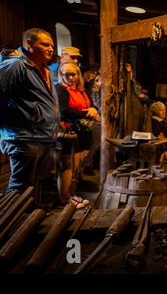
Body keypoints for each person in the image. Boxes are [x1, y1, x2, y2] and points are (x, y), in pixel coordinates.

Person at [0, 28, 60, 198]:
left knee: (39, 185)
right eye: (45, 44)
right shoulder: (16, 65)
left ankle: (33, 220)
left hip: (42, 136)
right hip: (24, 137)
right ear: (29, 44)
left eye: (52, 46)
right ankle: (11, 222)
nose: (50, 49)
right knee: (20, 186)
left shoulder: (44, 69)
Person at [55, 61, 99, 208]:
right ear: (61, 75)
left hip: (83, 131)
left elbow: (91, 104)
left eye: (74, 74)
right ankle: (64, 200)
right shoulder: (60, 89)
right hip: (69, 132)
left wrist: (92, 109)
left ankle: (72, 196)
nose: (71, 77)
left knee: (77, 167)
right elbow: (64, 112)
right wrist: (87, 113)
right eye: (66, 74)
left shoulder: (82, 89)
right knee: (67, 166)